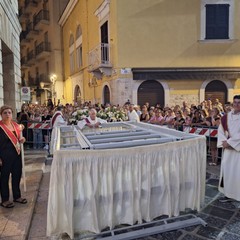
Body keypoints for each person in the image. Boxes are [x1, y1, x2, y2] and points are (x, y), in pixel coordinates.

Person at [0, 105, 27, 208]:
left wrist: (22, 139)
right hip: (4, 156)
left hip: (16, 155)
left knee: (16, 176)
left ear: (12, 114)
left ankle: (17, 196)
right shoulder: (0, 127)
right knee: (4, 178)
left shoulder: (16, 125)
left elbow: (20, 138)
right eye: (5, 113)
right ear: (1, 114)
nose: (7, 114)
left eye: (9, 112)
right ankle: (5, 199)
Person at [217, 95, 240, 203]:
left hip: (237, 151)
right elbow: (220, 131)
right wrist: (224, 143)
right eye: (235, 102)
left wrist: (230, 144)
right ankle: (228, 194)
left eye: (239, 103)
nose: (236, 105)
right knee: (227, 172)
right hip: (228, 150)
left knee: (237, 173)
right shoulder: (226, 117)